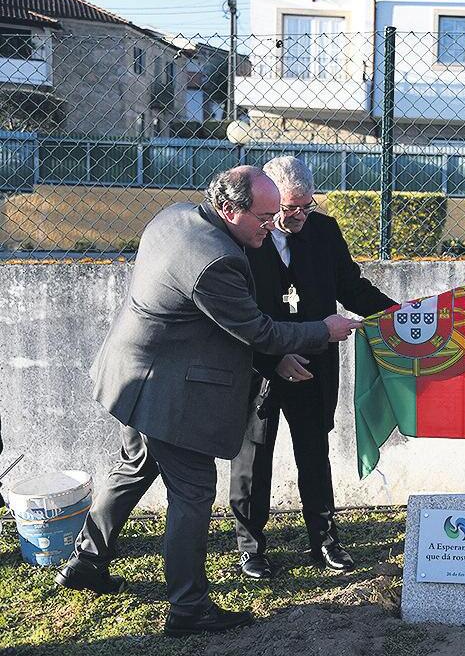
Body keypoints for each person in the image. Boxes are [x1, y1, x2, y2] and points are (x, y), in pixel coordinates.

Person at [54, 166, 362, 637]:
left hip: (131, 373)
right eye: (265, 217)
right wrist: (324, 329)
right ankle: (189, 608)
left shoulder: (175, 217)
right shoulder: (218, 260)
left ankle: (86, 562)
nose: (272, 226)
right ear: (229, 209)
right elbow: (257, 330)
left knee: (135, 468)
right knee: (193, 495)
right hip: (166, 392)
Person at [230, 157, 396, 580]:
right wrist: (275, 358)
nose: (300, 216)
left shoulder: (324, 231)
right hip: (261, 365)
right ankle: (251, 547)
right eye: (289, 209)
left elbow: (351, 287)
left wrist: (399, 314)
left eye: (307, 206)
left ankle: (324, 539)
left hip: (313, 364)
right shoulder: (245, 238)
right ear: (270, 201)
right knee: (253, 457)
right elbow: (239, 313)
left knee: (314, 452)